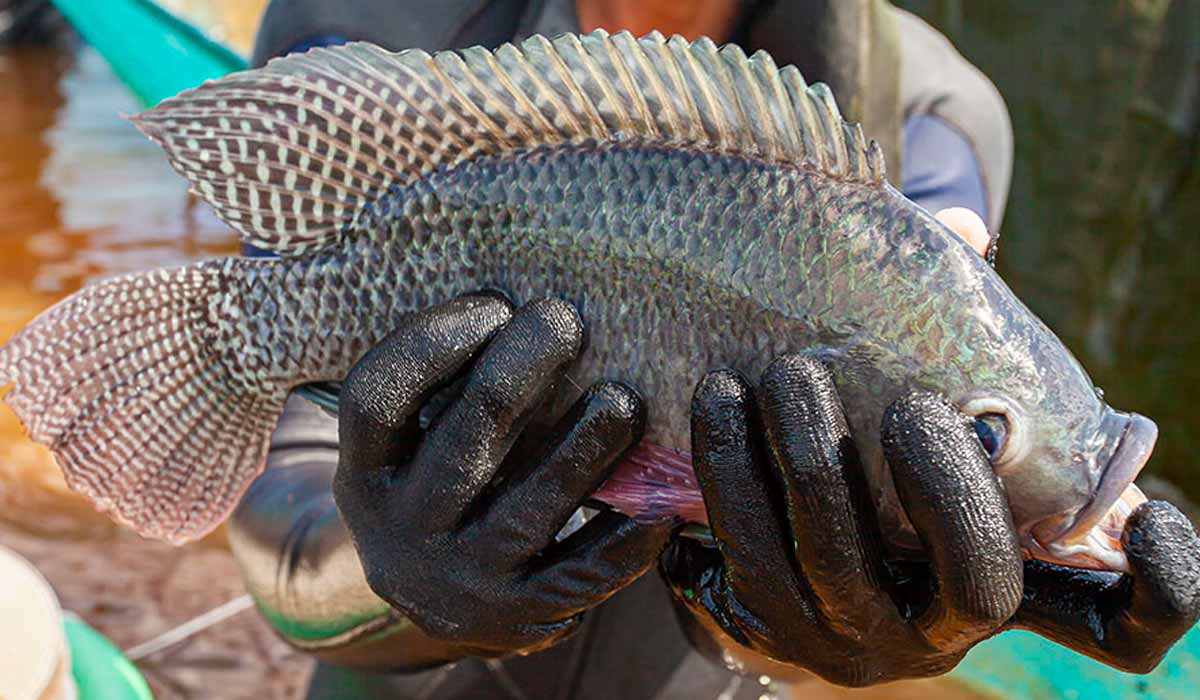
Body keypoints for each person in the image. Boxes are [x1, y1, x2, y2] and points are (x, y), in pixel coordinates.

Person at [227, 2, 1200, 697]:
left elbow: (928, 366)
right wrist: (387, 571)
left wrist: (822, 629)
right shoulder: (389, 24)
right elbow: (274, 476)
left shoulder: (928, 107)